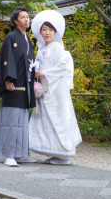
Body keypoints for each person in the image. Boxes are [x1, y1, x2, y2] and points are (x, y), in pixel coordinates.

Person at [28, 9, 82, 164]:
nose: (47, 33)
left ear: (55, 32)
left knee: (59, 119)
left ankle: (65, 154)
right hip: (44, 91)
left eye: (50, 30)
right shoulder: (41, 49)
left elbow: (63, 67)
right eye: (44, 29)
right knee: (47, 121)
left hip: (56, 90)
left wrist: (44, 72)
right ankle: (55, 152)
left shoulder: (58, 48)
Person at [0, 6, 36, 167]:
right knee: (11, 122)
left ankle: (21, 153)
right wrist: (7, 79)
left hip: (25, 87)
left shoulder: (27, 40)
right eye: (23, 17)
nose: (27, 19)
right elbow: (6, 60)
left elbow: (30, 64)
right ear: (15, 21)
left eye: (28, 17)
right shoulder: (10, 38)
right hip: (13, 86)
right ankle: (9, 155)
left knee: (23, 123)